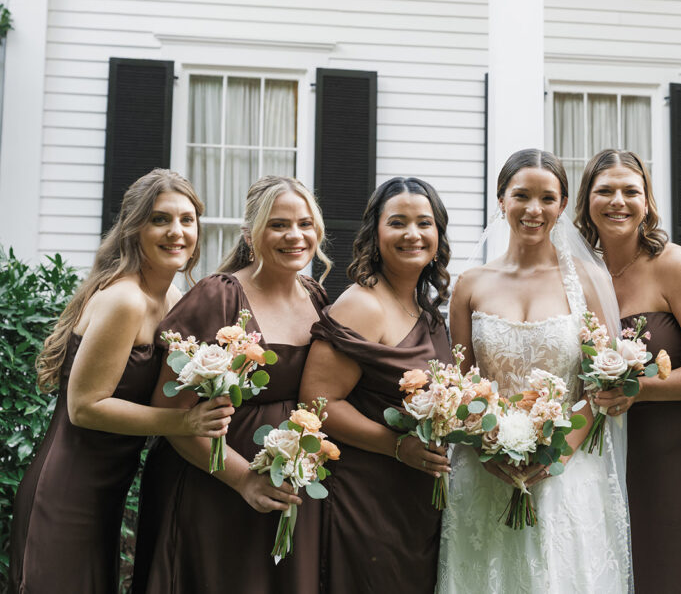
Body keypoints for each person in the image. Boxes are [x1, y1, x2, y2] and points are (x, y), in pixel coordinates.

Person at [9, 169, 233, 593]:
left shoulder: (172, 299)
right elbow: (85, 407)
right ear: (134, 230)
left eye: (187, 219)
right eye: (160, 219)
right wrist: (184, 424)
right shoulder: (125, 300)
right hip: (66, 493)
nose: (177, 232)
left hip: (108, 494)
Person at [436, 149, 631, 593]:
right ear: (501, 200)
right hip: (485, 467)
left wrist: (557, 453)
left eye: (548, 198)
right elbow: (461, 382)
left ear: (562, 205)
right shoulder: (471, 284)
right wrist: (490, 448)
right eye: (521, 195)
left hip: (567, 466)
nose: (534, 209)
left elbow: (600, 382)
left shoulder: (585, 280)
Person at [132, 176, 331, 594]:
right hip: (214, 488)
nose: (295, 235)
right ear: (251, 233)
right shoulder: (218, 296)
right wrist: (244, 480)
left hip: (285, 488)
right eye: (278, 225)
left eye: (305, 223)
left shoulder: (317, 299)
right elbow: (172, 416)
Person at [575, 149, 681, 593]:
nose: (619, 201)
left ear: (647, 202)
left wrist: (641, 390)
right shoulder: (574, 272)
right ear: (585, 201)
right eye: (605, 190)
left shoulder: (675, 264)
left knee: (679, 568)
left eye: (631, 191)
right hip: (607, 449)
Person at [300, 177, 452, 593]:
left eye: (424, 223)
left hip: (416, 496)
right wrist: (398, 446)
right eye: (397, 223)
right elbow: (318, 402)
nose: (412, 234)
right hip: (367, 494)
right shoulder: (361, 304)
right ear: (375, 233)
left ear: (438, 233)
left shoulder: (428, 309)